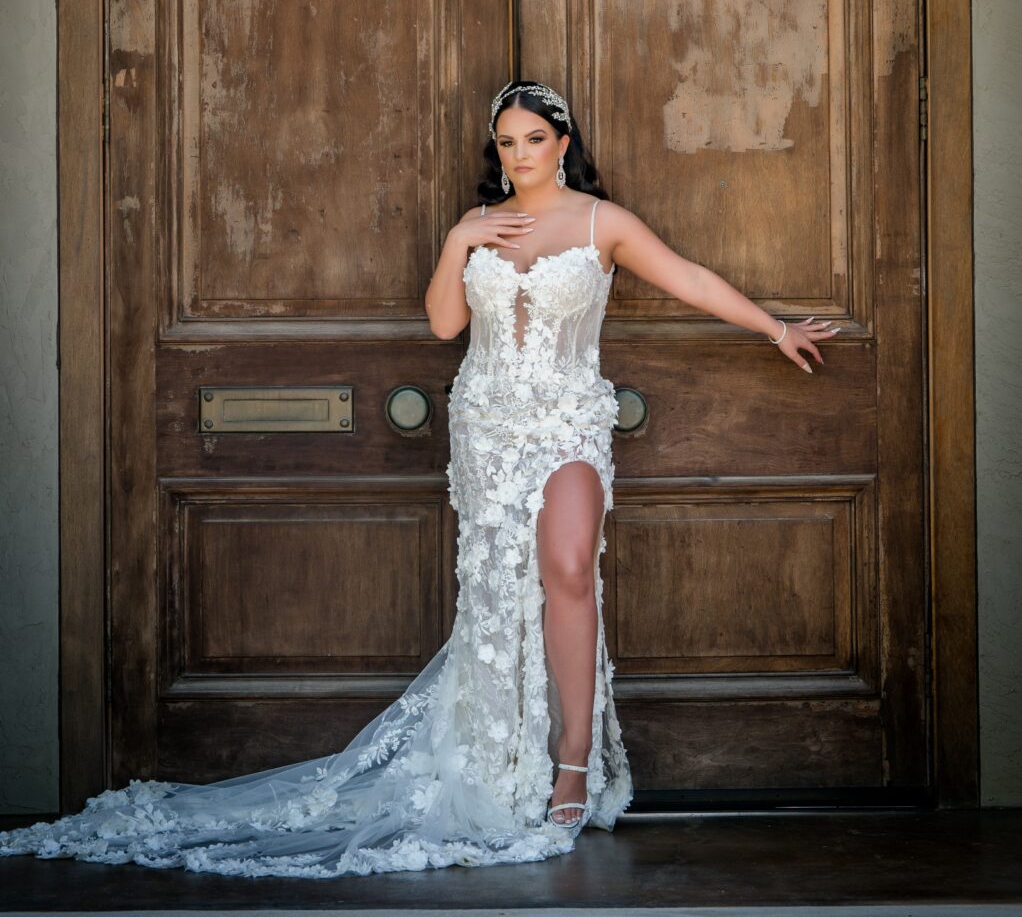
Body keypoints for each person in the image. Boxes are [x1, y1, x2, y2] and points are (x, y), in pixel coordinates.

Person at [0, 78, 838, 879]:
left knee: (570, 571)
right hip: (484, 424)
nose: (519, 155)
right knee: (498, 592)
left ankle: (572, 766)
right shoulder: (476, 222)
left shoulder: (600, 223)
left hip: (567, 419)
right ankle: (503, 758)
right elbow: (444, 324)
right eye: (506, 143)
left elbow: (687, 275)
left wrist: (772, 328)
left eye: (534, 140)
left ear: (563, 143)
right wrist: (456, 242)